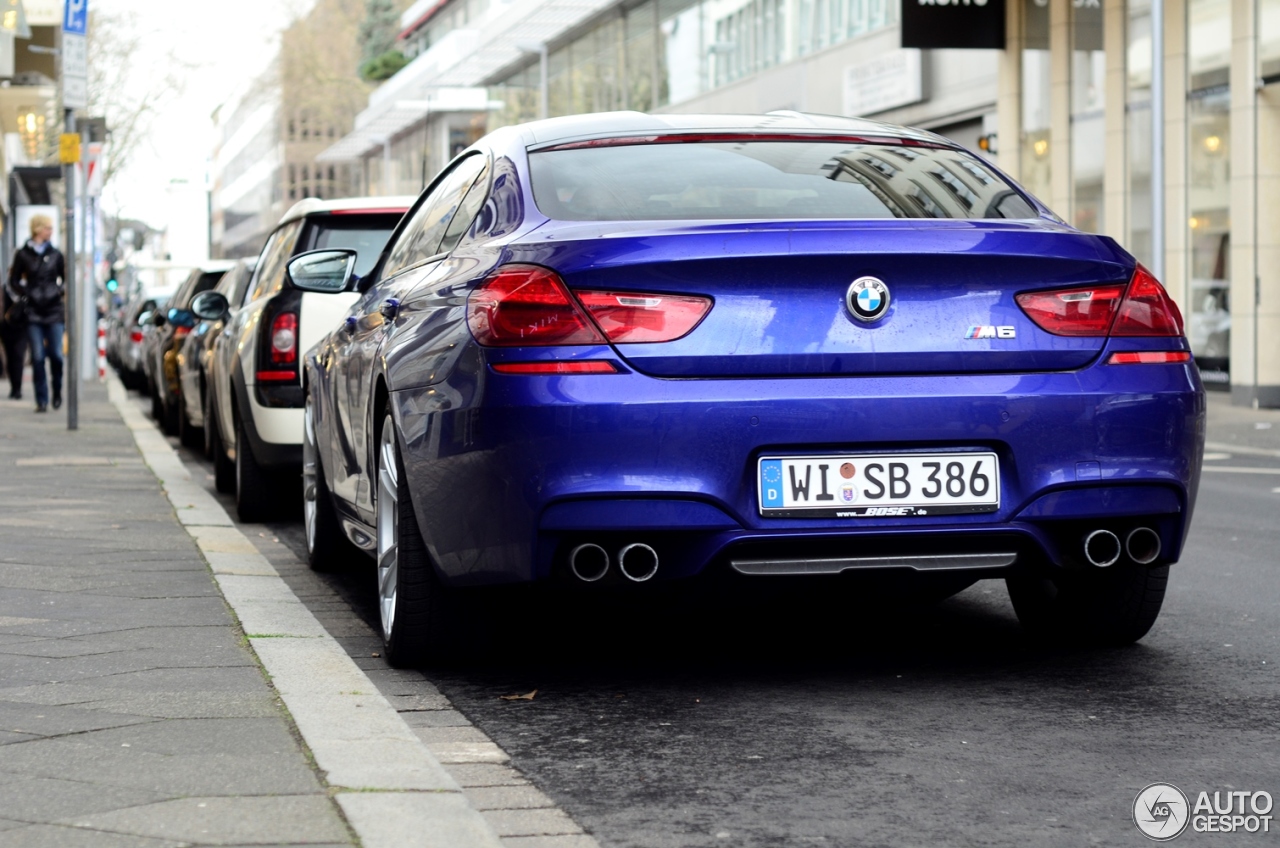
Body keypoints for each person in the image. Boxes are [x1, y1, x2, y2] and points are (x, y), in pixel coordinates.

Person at [10, 215, 66, 413]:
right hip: (33, 312)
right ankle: (41, 399)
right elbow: (13, 280)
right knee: (38, 357)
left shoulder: (56, 254)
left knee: (57, 356)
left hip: (54, 311)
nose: (51, 231)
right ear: (38, 229)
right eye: (48, 228)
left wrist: (57, 292)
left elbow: (65, 279)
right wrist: (27, 295)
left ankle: (57, 390)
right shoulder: (23, 254)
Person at [1, 261, 28, 400]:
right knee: (10, 358)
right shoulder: (4, 290)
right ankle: (13, 387)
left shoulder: (26, 291)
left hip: (22, 329)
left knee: (18, 356)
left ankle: (17, 388)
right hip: (6, 329)